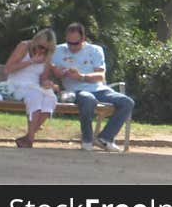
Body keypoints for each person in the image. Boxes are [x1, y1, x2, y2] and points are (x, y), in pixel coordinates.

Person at [50, 22, 134, 152]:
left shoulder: (95, 50)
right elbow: (53, 71)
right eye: (69, 43)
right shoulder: (58, 50)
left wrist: (81, 76)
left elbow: (100, 75)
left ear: (83, 39)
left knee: (127, 102)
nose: (71, 47)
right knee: (88, 99)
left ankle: (105, 138)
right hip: (74, 91)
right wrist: (61, 73)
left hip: (98, 88)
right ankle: (87, 140)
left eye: (75, 43)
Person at [3, 28, 59, 148]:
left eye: (45, 48)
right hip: (16, 83)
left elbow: (42, 79)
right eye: (40, 46)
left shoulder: (47, 55)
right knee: (35, 96)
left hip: (34, 85)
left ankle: (28, 137)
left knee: (51, 98)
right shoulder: (24, 46)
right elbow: (7, 69)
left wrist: (48, 83)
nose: (41, 50)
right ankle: (30, 139)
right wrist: (31, 61)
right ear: (35, 41)